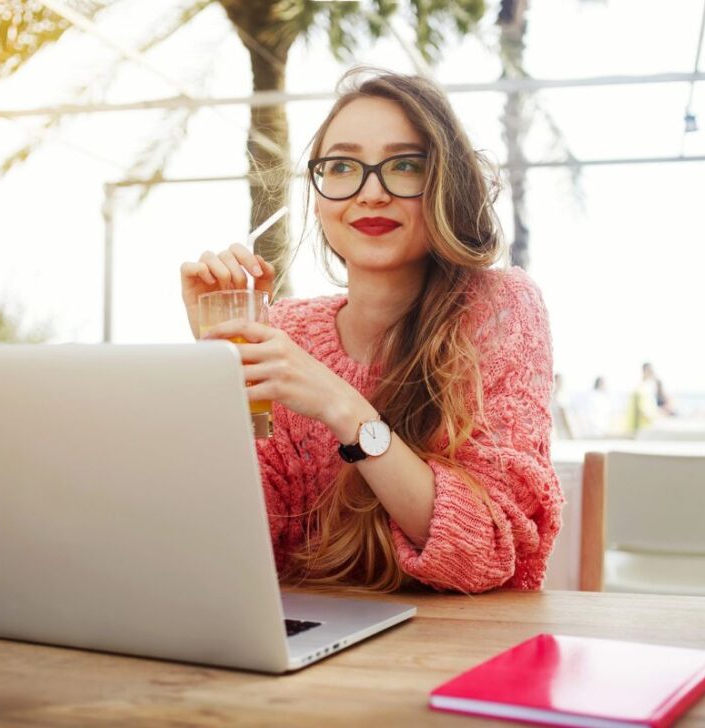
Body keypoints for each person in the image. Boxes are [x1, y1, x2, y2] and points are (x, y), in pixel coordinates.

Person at [180, 69, 562, 594]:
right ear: (319, 194)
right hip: (307, 652)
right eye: (342, 167)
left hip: (460, 652)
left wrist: (344, 408)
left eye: (404, 165)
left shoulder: (499, 310)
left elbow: (492, 550)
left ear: (445, 183)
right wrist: (214, 371)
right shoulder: (284, 330)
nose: (372, 192)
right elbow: (236, 546)